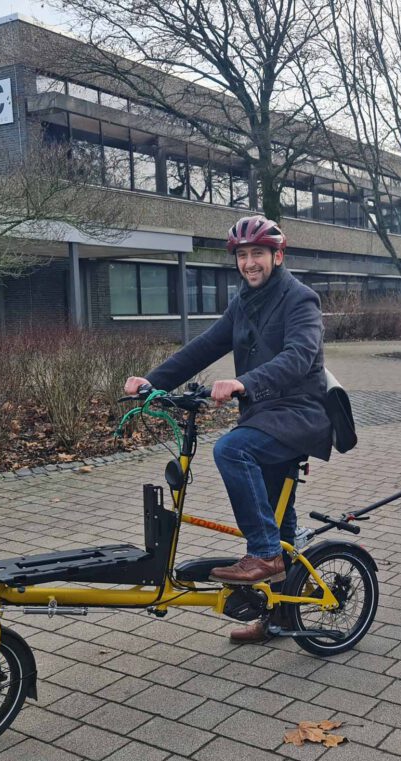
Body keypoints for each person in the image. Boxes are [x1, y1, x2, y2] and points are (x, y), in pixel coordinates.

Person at [124, 214, 332, 643]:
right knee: (280, 516)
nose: (250, 263)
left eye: (258, 253)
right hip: (263, 415)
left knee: (232, 450)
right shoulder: (243, 302)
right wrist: (153, 381)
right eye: (243, 255)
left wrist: (244, 382)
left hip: (299, 413)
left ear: (277, 255)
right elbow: (206, 346)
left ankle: (264, 554)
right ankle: (280, 617)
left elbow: (298, 355)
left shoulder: (300, 300)